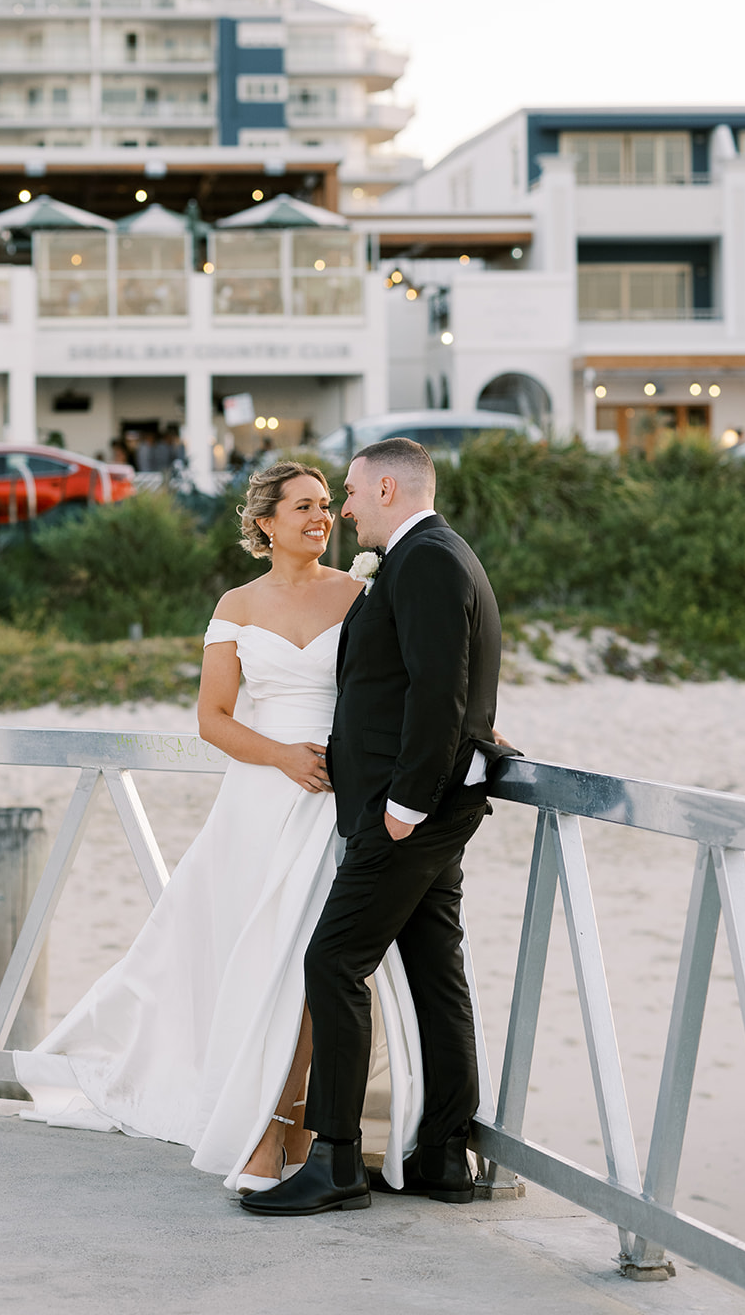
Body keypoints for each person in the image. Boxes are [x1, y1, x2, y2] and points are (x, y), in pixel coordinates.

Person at [12, 461, 424, 1193]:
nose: (320, 518)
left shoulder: (361, 595)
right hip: (260, 801)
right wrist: (284, 758)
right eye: (303, 507)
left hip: (336, 800)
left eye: (326, 505)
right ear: (265, 522)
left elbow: (397, 686)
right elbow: (212, 720)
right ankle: (278, 1122)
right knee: (257, 962)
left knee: (309, 965)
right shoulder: (236, 604)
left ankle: (283, 1129)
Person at [242, 437, 520, 1217]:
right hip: (425, 806)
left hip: (409, 815)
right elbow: (441, 680)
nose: (347, 509)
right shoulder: (430, 555)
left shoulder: (427, 557)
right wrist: (477, 741)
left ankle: (334, 1160)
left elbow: (439, 687)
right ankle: (443, 1156)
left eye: (354, 494)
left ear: (390, 488)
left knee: (332, 962)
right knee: (436, 971)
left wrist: (405, 805)